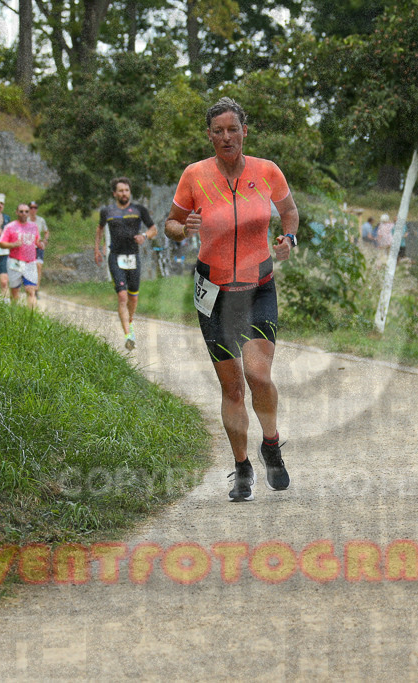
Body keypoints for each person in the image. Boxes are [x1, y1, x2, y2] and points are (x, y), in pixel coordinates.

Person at [164, 96, 298, 503]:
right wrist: (183, 228)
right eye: (218, 131)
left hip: (258, 287)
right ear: (209, 136)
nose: (226, 136)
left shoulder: (267, 171)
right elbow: (170, 224)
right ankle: (242, 468)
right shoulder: (195, 175)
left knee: (258, 375)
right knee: (233, 387)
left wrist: (288, 239)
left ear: (245, 132)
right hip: (215, 294)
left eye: (233, 129)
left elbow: (289, 212)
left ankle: (271, 444)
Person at [94, 177, 158, 350]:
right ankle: (128, 335)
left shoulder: (138, 210)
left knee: (133, 297)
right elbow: (100, 228)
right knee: (122, 296)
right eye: (121, 191)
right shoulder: (107, 211)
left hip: (133, 257)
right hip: (115, 256)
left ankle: (130, 322)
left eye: (127, 190)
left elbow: (153, 229)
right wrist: (97, 249)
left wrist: (144, 236)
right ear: (114, 193)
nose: (124, 193)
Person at [0, 203, 41, 309]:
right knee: (15, 292)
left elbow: (37, 241)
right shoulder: (10, 227)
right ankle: (15, 312)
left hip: (30, 262)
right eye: (21, 211)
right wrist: (13, 244)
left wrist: (41, 244)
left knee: (30, 290)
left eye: (26, 211)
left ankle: (31, 315)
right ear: (17, 212)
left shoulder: (33, 226)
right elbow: (1, 243)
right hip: (15, 262)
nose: (24, 214)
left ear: (29, 213)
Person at [29, 200, 49, 298]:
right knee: (29, 267)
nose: (33, 210)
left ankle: (36, 289)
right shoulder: (25, 220)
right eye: (31, 208)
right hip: (28, 246)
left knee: (39, 266)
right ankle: (29, 287)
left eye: (35, 208)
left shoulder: (40, 220)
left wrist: (45, 240)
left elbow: (46, 231)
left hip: (38, 245)